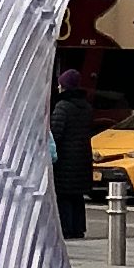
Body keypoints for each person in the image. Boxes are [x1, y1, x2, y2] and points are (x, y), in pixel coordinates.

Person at [49, 66, 97, 240]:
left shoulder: (62, 107)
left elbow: (57, 132)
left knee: (64, 195)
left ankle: (67, 228)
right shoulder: (86, 106)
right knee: (77, 196)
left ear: (64, 86)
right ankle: (79, 227)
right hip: (82, 157)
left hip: (65, 159)